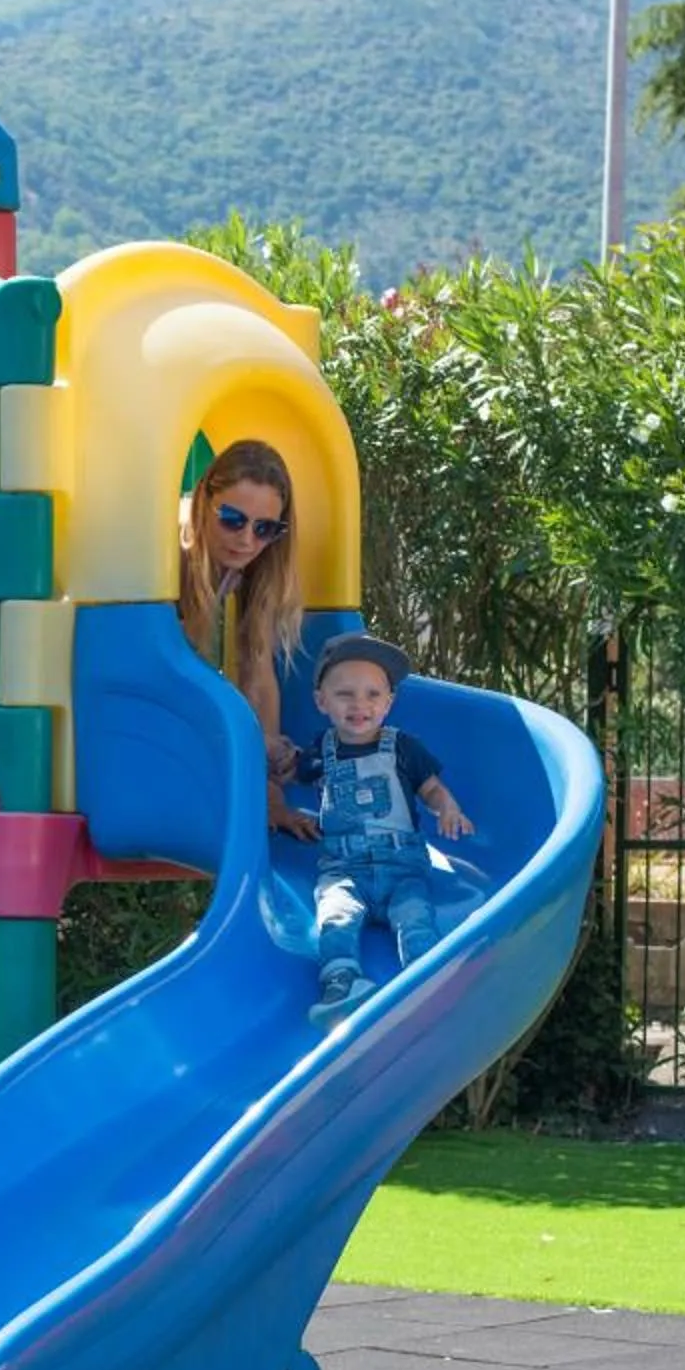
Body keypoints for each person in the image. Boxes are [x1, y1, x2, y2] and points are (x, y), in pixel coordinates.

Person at [290, 632, 472, 1028]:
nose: (360, 704)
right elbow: (291, 777)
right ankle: (342, 983)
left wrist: (449, 809)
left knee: (415, 917)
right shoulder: (319, 751)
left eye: (373, 694)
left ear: (388, 703)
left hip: (401, 866)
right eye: (345, 694)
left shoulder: (403, 747)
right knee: (334, 918)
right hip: (343, 868)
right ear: (321, 701)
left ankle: (425, 983)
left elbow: (433, 789)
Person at [175, 439, 312, 837]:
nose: (247, 540)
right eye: (232, 519)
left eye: (265, 528)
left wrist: (269, 792)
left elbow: (257, 668)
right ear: (204, 500)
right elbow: (166, 670)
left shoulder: (256, 567)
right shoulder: (171, 558)